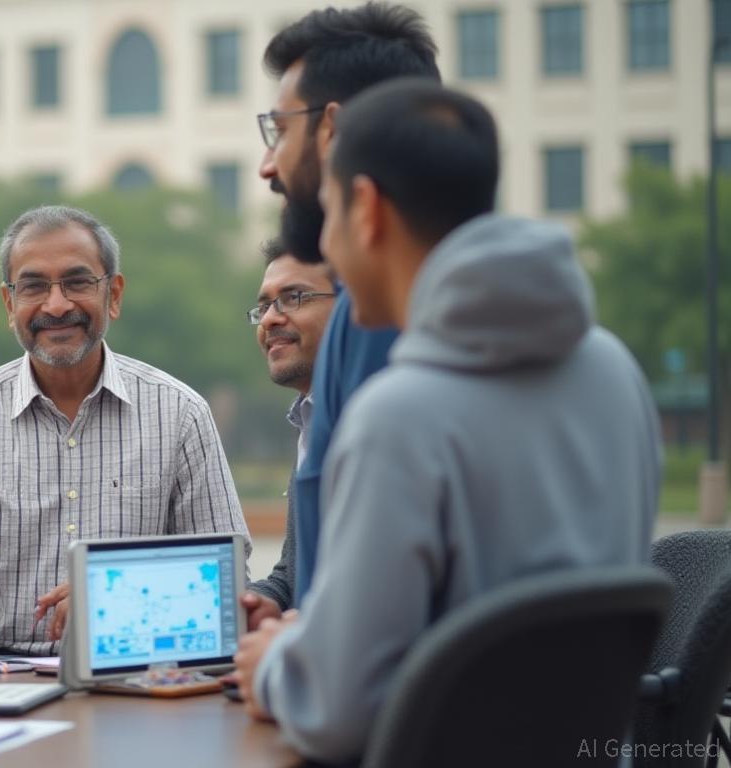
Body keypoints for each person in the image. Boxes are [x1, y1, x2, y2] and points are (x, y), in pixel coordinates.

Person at [234, 80, 661, 764]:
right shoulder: (615, 370)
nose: (329, 250)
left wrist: (275, 664)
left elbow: (335, 713)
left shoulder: (398, 417)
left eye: (330, 218)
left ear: (367, 209)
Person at [0, 205, 251, 656]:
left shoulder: (180, 413)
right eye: (34, 286)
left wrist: (114, 594)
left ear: (113, 294)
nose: (56, 306)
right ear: (9, 304)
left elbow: (227, 575)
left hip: (134, 661)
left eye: (77, 282)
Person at [257, 2, 440, 606]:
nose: (267, 166)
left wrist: (285, 650)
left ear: (332, 132)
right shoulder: (606, 366)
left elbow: (359, 632)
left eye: (280, 132)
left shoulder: (375, 339)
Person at [239, 240, 335, 624]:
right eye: (264, 306)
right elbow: (293, 575)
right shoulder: (309, 418)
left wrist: (297, 635)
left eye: (293, 298)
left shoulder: (379, 420)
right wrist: (258, 603)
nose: (269, 320)